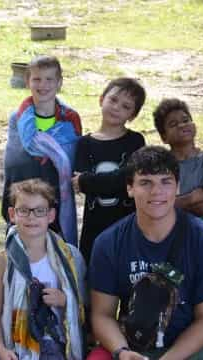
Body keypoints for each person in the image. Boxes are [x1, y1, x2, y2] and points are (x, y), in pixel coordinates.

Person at [88, 146, 203, 360]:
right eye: (145, 182)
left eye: (165, 182)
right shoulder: (108, 242)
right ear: (129, 188)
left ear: (178, 187)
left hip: (189, 348)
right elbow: (102, 314)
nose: (156, 191)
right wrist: (121, 352)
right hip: (132, 344)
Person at [0, 179, 86, 360]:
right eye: (24, 210)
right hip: (13, 346)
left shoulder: (70, 258)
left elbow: (84, 310)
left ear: (51, 215)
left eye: (39, 211)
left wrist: (65, 300)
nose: (31, 217)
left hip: (55, 343)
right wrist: (1, 350)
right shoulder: (1, 261)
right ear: (12, 214)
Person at [2, 55, 82, 246]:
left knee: (56, 252)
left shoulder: (70, 120)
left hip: (56, 198)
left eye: (49, 79)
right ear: (27, 81)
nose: (43, 85)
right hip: (22, 195)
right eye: (37, 79)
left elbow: (71, 158)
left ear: (59, 82)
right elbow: (13, 162)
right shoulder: (19, 119)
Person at [72, 77, 146, 263]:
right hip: (93, 228)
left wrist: (90, 181)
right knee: (93, 278)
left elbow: (129, 179)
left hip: (127, 227)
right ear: (101, 99)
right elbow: (78, 182)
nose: (116, 107)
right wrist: (91, 182)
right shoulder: (84, 143)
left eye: (126, 106)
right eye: (113, 100)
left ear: (132, 115)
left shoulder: (135, 141)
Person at [153, 98, 203, 225]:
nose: (182, 125)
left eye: (186, 120)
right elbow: (153, 206)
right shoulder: (159, 165)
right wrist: (190, 198)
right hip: (163, 232)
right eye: (173, 124)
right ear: (163, 137)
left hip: (199, 234)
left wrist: (171, 204)